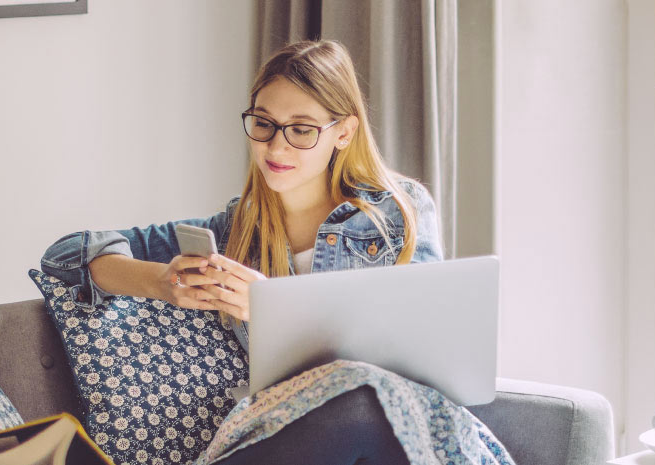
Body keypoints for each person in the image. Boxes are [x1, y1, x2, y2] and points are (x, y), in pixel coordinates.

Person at [31, 40, 444, 465]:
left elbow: (423, 359)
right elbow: (67, 255)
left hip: (378, 427)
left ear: (344, 132)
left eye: (301, 130)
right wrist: (159, 283)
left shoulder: (396, 214)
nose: (276, 147)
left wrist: (277, 309)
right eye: (263, 123)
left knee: (361, 403)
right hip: (278, 435)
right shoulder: (235, 231)